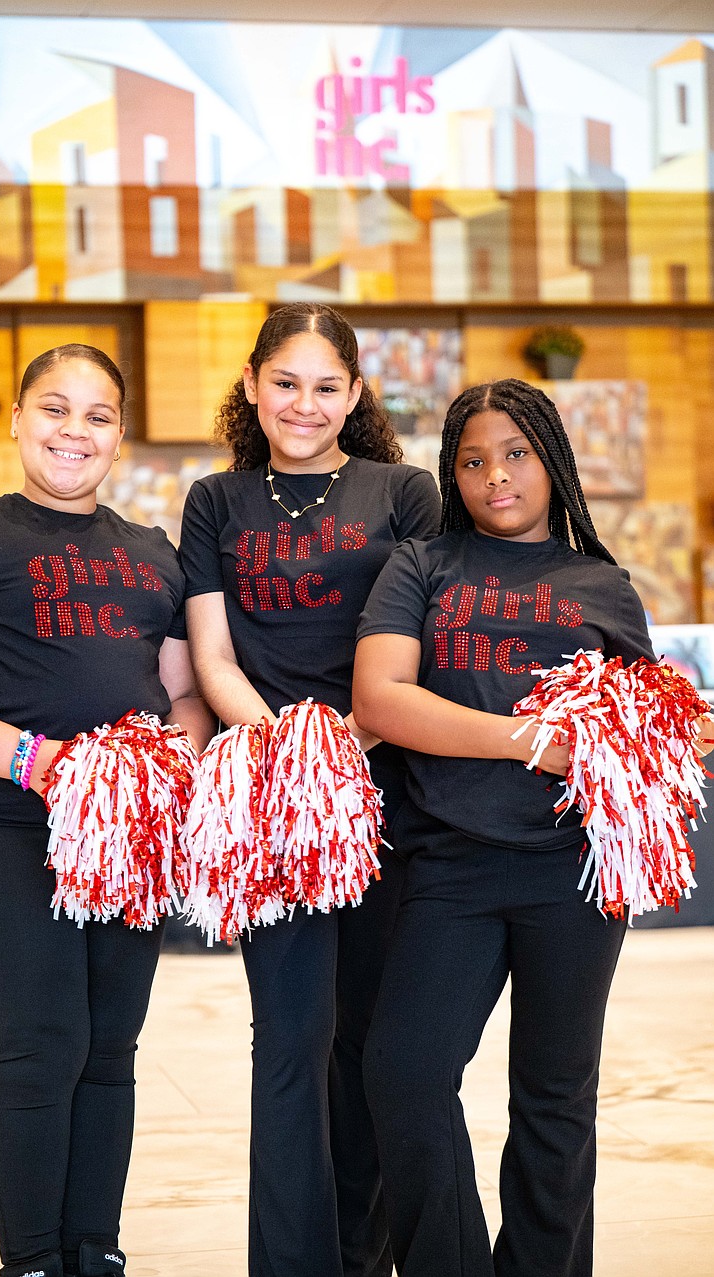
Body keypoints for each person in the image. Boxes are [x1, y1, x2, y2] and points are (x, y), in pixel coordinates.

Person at [352, 377, 714, 1276]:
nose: (495, 476)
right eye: (472, 460)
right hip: (447, 866)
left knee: (555, 1098)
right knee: (402, 1074)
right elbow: (382, 699)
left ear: (552, 460)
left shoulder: (603, 584)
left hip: (572, 872)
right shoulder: (423, 568)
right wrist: (534, 741)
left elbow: (646, 725)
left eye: (516, 454)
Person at [0, 344, 213, 1277]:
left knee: (108, 1049)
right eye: (55, 409)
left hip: (124, 839)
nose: (75, 430)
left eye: (98, 415)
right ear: (18, 419)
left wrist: (156, 766)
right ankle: (29, 1262)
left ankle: (93, 1253)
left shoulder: (153, 555)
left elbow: (183, 697)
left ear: (120, 437)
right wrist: (48, 764)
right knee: (39, 1044)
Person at [178, 301, 442, 1277]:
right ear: (251, 385)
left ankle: (361, 1257)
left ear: (355, 394)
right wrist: (291, 746)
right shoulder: (216, 500)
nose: (304, 403)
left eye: (326, 385)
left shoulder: (403, 491)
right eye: (284, 382)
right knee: (289, 1039)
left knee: (369, 1043)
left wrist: (353, 737)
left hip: (391, 799)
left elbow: (427, 644)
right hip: (274, 801)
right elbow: (211, 652)